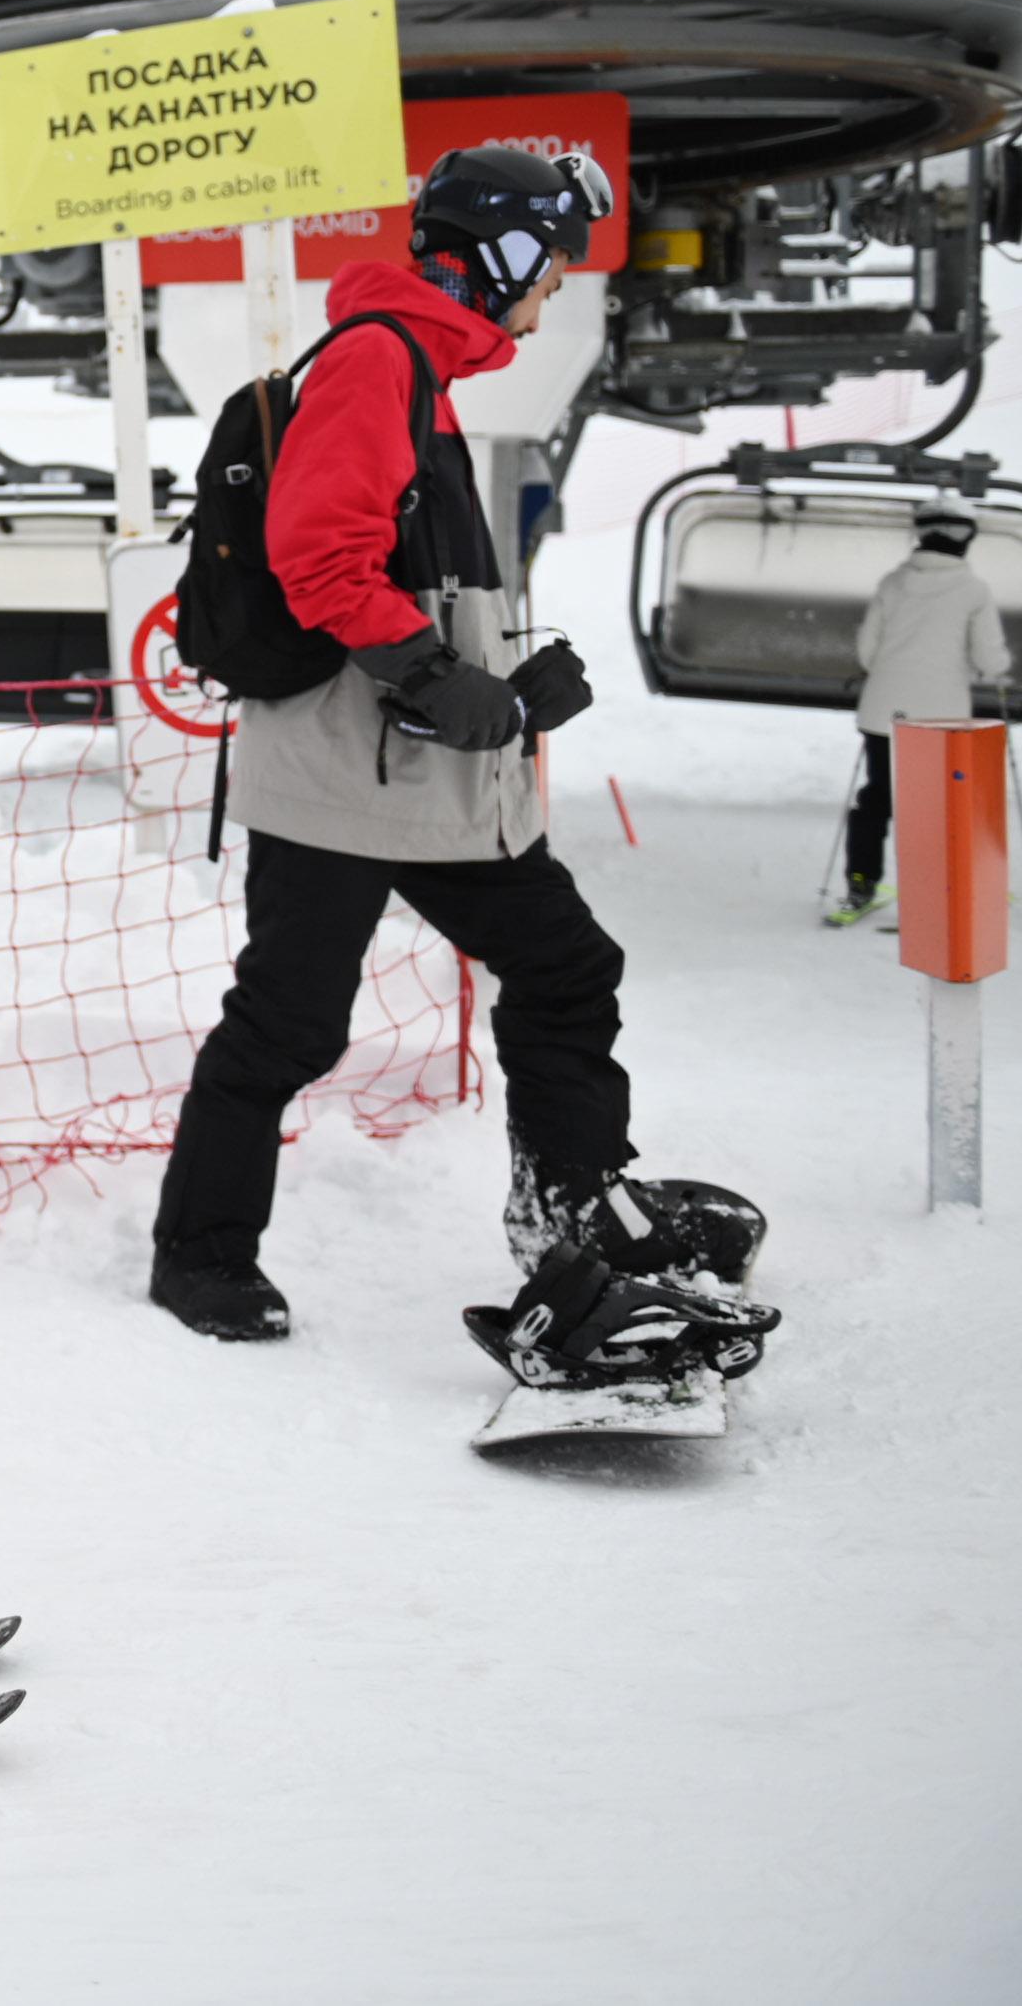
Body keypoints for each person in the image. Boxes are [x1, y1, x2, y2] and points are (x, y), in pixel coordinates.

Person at [146, 144, 768, 1379]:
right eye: (554, 262)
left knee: (566, 968)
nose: (552, 295)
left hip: (419, 776)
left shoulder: (418, 369)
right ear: (505, 251)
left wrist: (504, 685)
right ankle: (198, 1253)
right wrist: (435, 681)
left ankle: (572, 1219)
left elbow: (399, 571)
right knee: (287, 1024)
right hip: (342, 775)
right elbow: (320, 552)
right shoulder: (379, 359)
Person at [832, 497, 1011, 926]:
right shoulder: (974, 590)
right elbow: (990, 660)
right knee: (935, 806)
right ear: (967, 537)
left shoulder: (892, 584)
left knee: (877, 799)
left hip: (884, 714)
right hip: (942, 720)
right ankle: (933, 898)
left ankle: (860, 884)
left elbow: (867, 651)